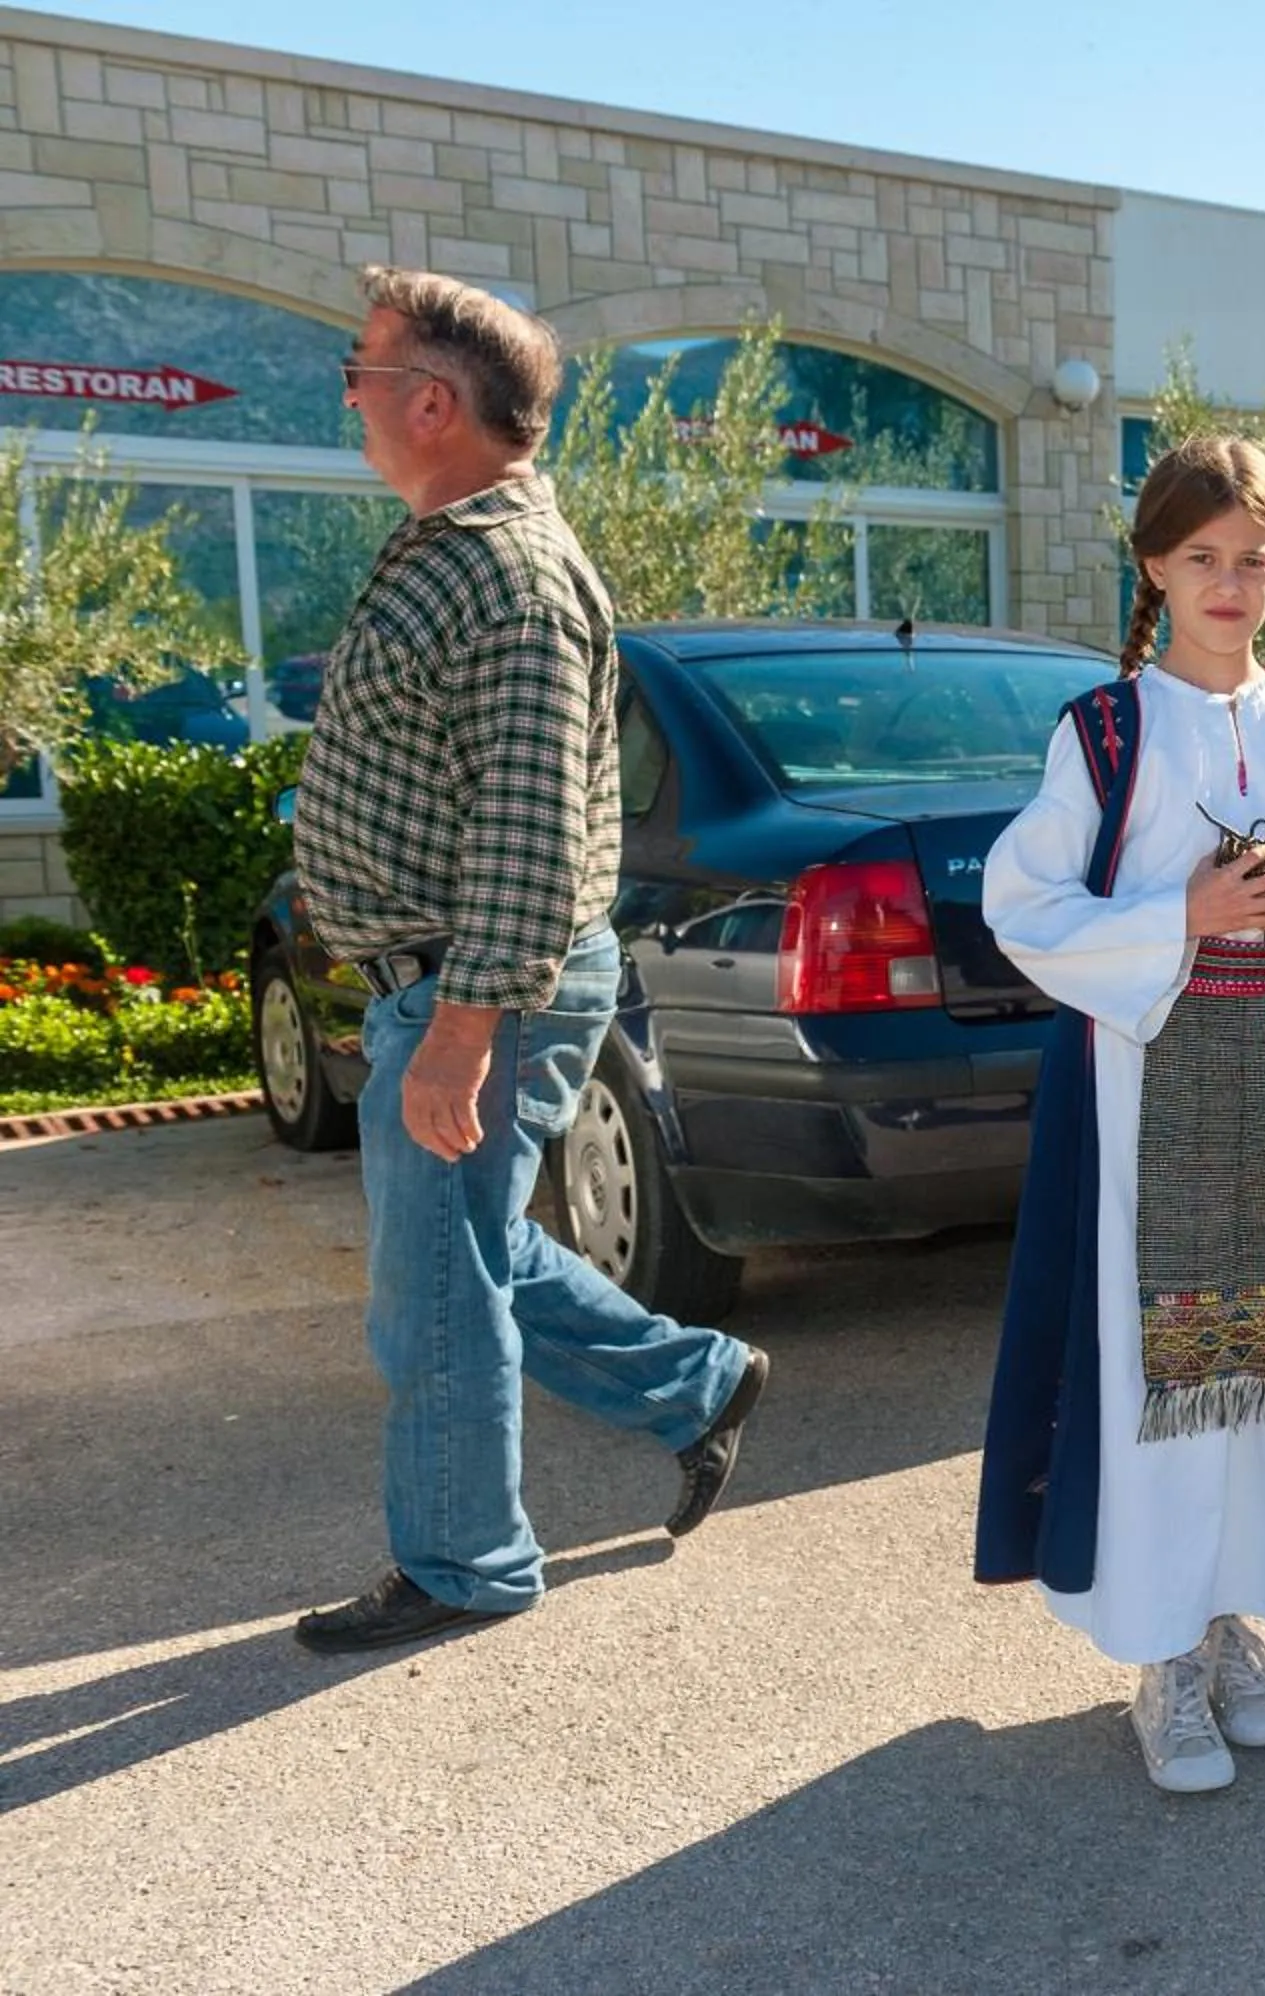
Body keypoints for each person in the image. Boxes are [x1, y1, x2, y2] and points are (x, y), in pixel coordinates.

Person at [288, 266, 769, 1655]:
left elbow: (529, 831)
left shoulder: (505, 574)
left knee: (433, 1293)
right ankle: (694, 1385)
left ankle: (467, 1562)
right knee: (464, 1258)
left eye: (362, 377)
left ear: (431, 403)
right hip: (441, 980)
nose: (352, 402)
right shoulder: (455, 541)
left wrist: (462, 1032)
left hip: (474, 986)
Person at [974, 435, 1265, 1794]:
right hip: (1144, 1097)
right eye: (1202, 559)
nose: (1230, 583)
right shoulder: (1105, 733)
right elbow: (1023, 902)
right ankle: (1160, 1656)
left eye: (1254, 558)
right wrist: (1185, 911)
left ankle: (1231, 1627)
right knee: (1159, 1373)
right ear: (1155, 569)